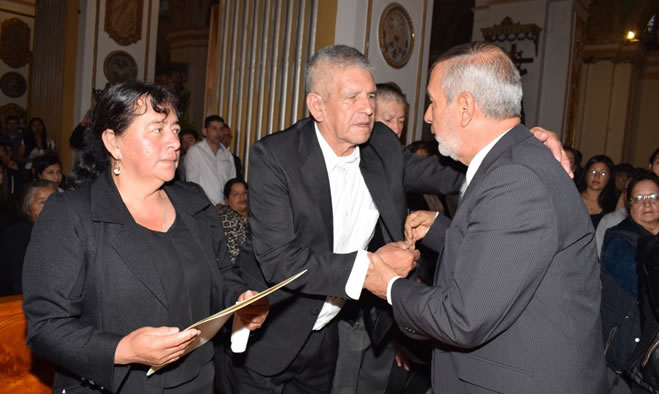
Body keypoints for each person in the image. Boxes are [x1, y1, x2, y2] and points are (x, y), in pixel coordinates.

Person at [222, 44, 569, 394]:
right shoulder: (276, 156)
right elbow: (282, 261)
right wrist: (370, 268)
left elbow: (452, 171)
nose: (367, 109)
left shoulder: (381, 145)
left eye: (371, 96)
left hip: (325, 338)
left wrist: (520, 143)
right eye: (352, 97)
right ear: (317, 106)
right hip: (267, 330)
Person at [365, 42, 607, 393]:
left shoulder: (516, 178)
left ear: (465, 107)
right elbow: (505, 260)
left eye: (433, 102)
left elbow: (462, 318)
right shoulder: (516, 158)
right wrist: (439, 229)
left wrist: (386, 284)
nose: (428, 116)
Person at [22, 82, 268, 393]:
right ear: (114, 142)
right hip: (118, 385)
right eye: (157, 130)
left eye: (175, 130)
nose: (174, 143)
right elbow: (45, 327)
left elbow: (221, 273)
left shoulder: (194, 201)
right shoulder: (71, 215)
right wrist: (123, 349)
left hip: (201, 380)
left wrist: (240, 301)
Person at [600, 170, 659, 389]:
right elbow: (644, 288)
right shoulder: (619, 241)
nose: (647, 205)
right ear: (629, 204)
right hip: (627, 356)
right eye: (639, 199)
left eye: (653, 197)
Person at [0, 179, 57, 297]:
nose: (50, 206)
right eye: (43, 202)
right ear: (28, 207)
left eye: (55, 201)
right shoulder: (14, 235)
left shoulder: (68, 232)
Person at [183, 115, 236, 208]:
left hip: (225, 208)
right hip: (204, 207)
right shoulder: (195, 151)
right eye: (214, 128)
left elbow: (232, 184)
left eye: (221, 129)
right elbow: (192, 184)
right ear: (205, 131)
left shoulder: (228, 155)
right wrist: (211, 205)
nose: (218, 133)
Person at [578, 155, 617, 228]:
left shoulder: (614, 205)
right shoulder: (572, 198)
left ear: (609, 177)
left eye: (603, 173)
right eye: (593, 171)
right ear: (586, 173)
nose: (597, 176)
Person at [217, 178, 249, 264]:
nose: (242, 197)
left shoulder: (256, 214)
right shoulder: (226, 219)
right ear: (226, 199)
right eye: (236, 194)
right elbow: (234, 258)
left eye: (245, 192)